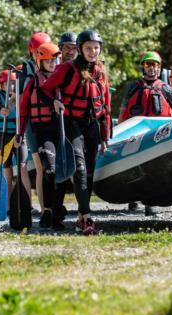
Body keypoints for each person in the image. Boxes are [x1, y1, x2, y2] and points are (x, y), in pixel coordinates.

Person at [40, 30, 111, 235]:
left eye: (96, 48)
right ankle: (86, 217)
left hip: (92, 126)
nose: (92, 51)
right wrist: (53, 101)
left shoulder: (100, 72)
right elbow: (44, 89)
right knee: (79, 168)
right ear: (80, 49)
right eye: (88, 48)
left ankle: (81, 216)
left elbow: (105, 106)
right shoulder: (67, 69)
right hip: (71, 122)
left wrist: (105, 136)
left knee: (88, 172)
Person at [117, 51, 172, 216]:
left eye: (154, 65)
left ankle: (150, 203)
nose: (151, 68)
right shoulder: (133, 87)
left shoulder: (165, 88)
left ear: (159, 68)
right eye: (148, 65)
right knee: (134, 167)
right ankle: (133, 198)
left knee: (154, 168)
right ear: (143, 67)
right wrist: (118, 133)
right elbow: (122, 111)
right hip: (136, 132)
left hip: (157, 134)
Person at [18, 42, 62, 228]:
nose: (53, 64)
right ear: (40, 62)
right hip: (42, 130)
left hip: (60, 129)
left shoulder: (62, 79)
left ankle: (57, 213)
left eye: (55, 60)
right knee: (49, 170)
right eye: (48, 61)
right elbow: (24, 109)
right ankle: (47, 211)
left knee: (61, 173)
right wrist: (20, 133)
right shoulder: (33, 81)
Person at [0, 70, 33, 209]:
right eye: (7, 84)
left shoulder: (21, 96)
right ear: (2, 85)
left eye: (13, 84)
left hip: (19, 135)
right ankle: (9, 207)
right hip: (4, 136)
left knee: (23, 168)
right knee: (7, 172)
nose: (11, 87)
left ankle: (28, 205)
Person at [19, 32, 52, 216]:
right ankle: (44, 208)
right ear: (32, 53)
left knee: (53, 166)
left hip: (52, 122)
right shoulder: (26, 72)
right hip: (33, 123)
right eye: (38, 51)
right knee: (41, 168)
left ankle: (54, 206)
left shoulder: (56, 65)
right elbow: (23, 101)